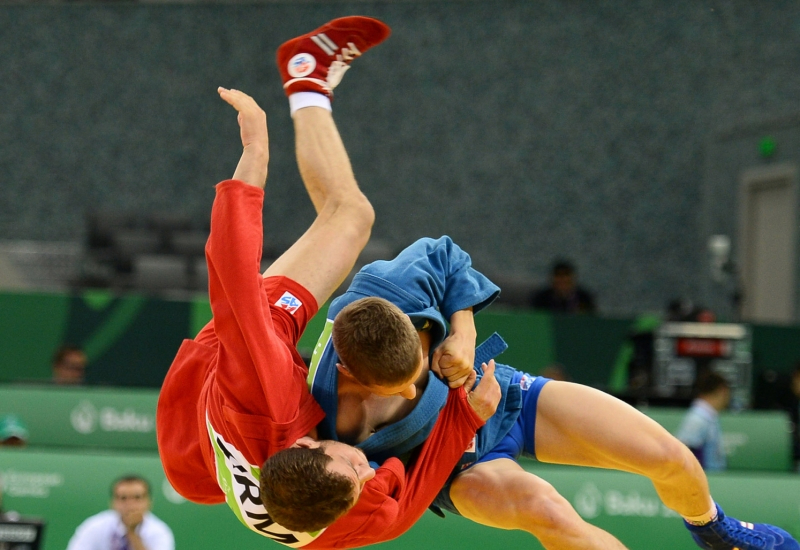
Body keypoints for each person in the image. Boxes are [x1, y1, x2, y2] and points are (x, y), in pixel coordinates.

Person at [156, 16, 500, 549]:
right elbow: (404, 508)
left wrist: (252, 162)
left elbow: (231, 281)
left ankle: (305, 73)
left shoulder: (264, 389)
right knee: (352, 215)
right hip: (194, 464)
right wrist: (466, 415)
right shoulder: (349, 507)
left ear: (312, 447)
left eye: (349, 461)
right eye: (364, 476)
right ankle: (307, 77)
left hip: (231, 371)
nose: (367, 467)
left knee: (349, 215)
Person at [297, 237, 798, 550]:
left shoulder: (385, 287)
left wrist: (463, 331)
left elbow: (447, 256)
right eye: (400, 387)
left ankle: (712, 528)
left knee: (670, 458)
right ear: (349, 371)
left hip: (507, 396)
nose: (416, 387)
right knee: (549, 512)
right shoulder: (309, 419)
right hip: (457, 463)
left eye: (419, 370)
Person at [65, 475, 174, 550]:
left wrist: (131, 532)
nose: (130, 505)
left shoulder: (160, 532)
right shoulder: (94, 526)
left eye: (137, 498)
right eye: (123, 498)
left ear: (149, 502)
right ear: (112, 503)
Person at [676, 371, 731, 472]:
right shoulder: (697, 418)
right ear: (722, 390)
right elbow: (685, 452)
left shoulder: (710, 417)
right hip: (702, 480)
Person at [530, 258, 596, 314]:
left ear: (573, 278)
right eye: (558, 275)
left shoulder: (584, 298)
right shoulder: (541, 299)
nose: (562, 279)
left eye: (566, 275)